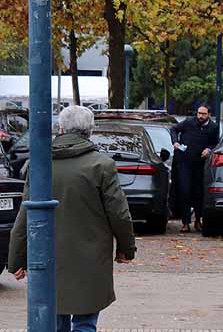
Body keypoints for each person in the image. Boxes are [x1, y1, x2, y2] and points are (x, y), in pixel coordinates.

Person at [7, 105, 136, 332]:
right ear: (90, 130)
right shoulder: (101, 165)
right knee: (85, 323)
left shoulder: (41, 164)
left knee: (54, 321)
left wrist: (16, 258)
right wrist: (126, 248)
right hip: (91, 258)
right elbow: (119, 213)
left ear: (61, 127)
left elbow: (26, 213)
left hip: (49, 257)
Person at [170, 105, 219, 232]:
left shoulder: (213, 127)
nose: (200, 116)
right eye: (199, 113)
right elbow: (174, 129)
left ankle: (198, 220)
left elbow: (215, 143)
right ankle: (185, 222)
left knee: (199, 193)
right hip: (185, 162)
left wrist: (209, 149)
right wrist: (175, 142)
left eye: (203, 114)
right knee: (184, 191)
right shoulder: (189, 122)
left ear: (209, 114)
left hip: (200, 164)